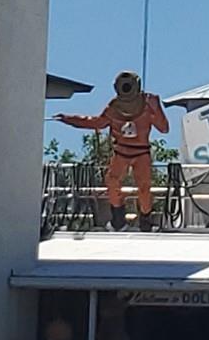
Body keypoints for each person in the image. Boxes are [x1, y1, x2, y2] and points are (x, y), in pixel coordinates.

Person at [53, 70, 169, 231]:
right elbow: (97, 123)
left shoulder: (148, 104)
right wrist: (70, 119)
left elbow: (164, 128)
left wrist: (157, 109)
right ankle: (118, 220)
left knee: (144, 186)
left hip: (141, 151)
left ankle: (145, 221)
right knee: (113, 181)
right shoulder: (114, 107)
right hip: (121, 152)